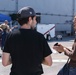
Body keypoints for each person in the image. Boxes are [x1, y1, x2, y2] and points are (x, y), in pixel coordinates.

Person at [2, 6, 52, 75]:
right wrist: (38, 60)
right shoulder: (39, 37)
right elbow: (49, 62)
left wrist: (15, 59)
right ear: (29, 19)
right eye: (35, 19)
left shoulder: (10, 36)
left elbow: (5, 62)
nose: (36, 22)